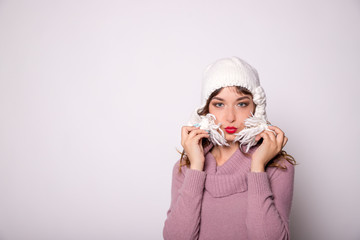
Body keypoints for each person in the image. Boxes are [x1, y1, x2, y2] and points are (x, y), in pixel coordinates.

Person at [162, 56, 296, 240]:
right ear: (206, 110)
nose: (230, 117)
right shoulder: (186, 165)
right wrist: (196, 167)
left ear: (256, 107)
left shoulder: (277, 167)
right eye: (219, 104)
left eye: (241, 104)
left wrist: (257, 167)